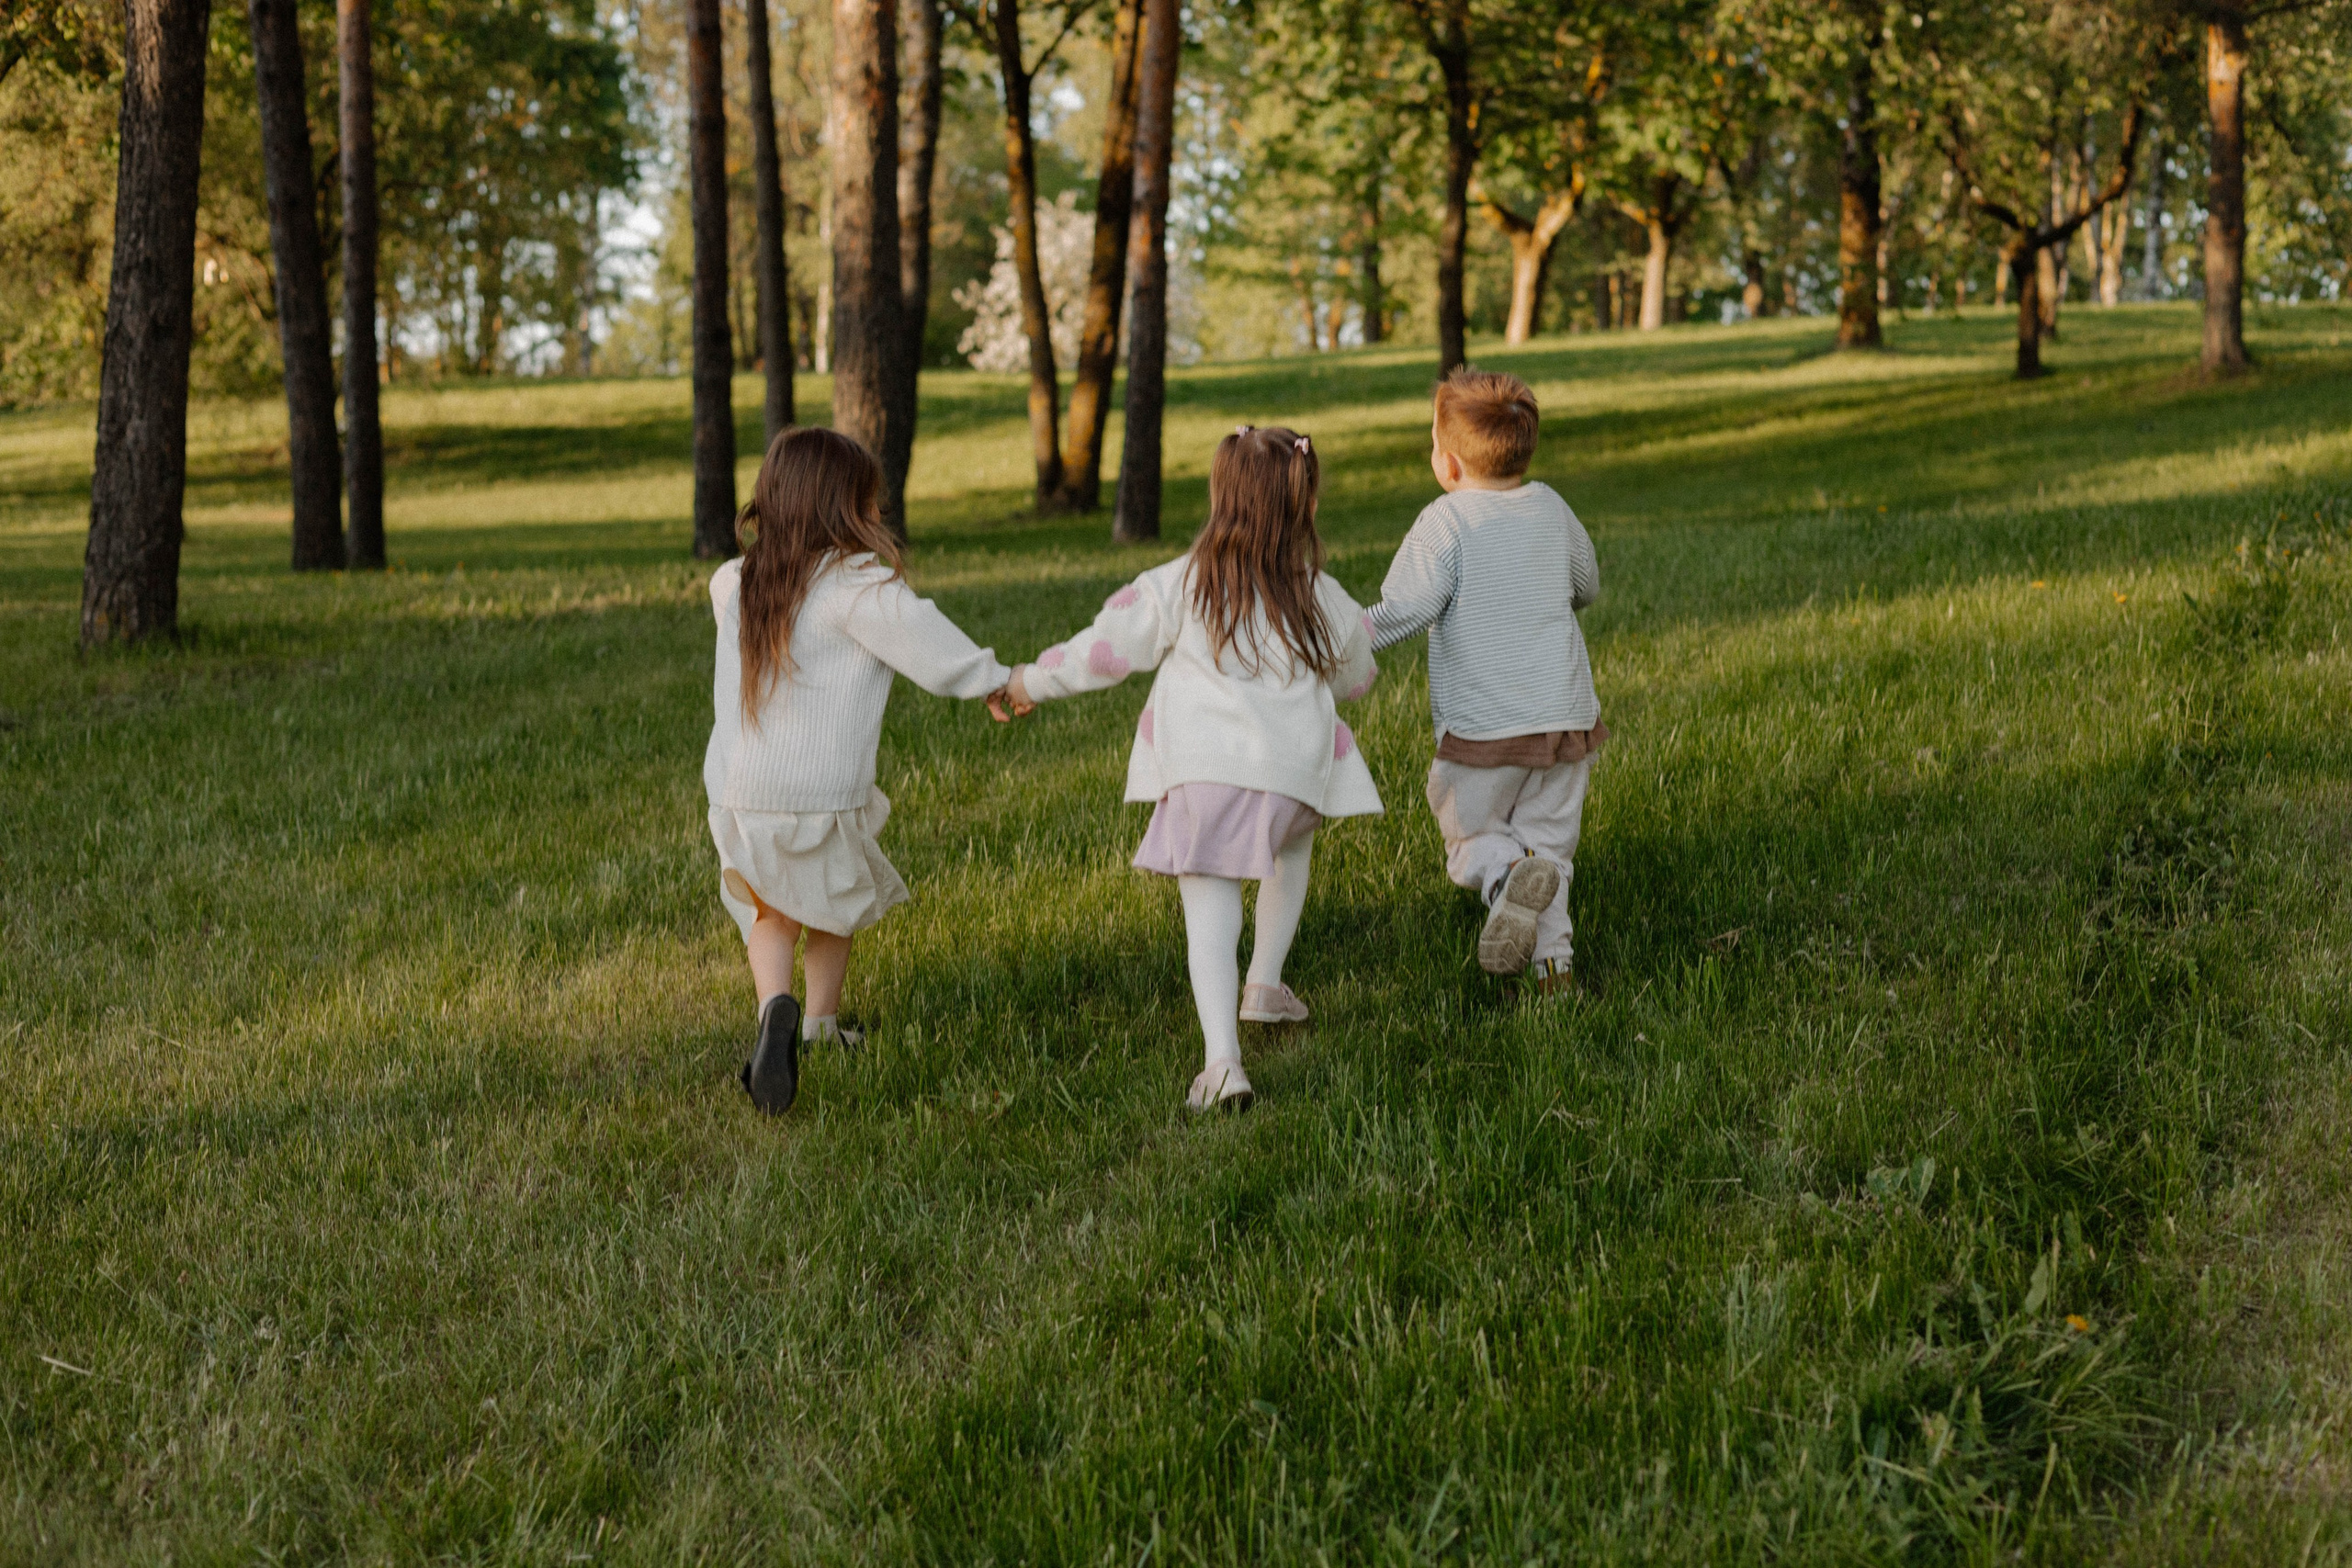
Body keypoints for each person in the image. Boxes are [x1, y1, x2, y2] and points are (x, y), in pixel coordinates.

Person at [996, 426, 1380, 1112]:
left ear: (1220, 496)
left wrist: (1027, 681)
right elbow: (1357, 674)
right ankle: (1264, 981)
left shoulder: (1176, 583)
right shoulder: (1321, 592)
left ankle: (1222, 1062)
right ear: (1305, 503)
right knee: (1289, 848)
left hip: (1205, 771)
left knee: (1210, 903)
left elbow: (1101, 652)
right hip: (1292, 775)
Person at [706, 427, 1012, 1115]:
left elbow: (722, 593)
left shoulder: (737, 580)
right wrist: (992, 680)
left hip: (741, 794)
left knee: (770, 911)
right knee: (833, 904)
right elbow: (931, 642)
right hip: (823, 793)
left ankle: (772, 1009)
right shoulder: (858, 588)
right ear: (846, 508)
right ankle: (818, 1023)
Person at [1365, 367, 1604, 995]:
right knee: (1550, 851)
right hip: (1565, 722)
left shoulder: (1446, 523)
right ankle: (1554, 973)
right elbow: (1587, 584)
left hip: (1483, 733)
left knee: (1471, 834)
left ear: (1448, 464)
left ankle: (1501, 878)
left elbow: (1402, 611)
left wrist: (1334, 639)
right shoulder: (1552, 507)